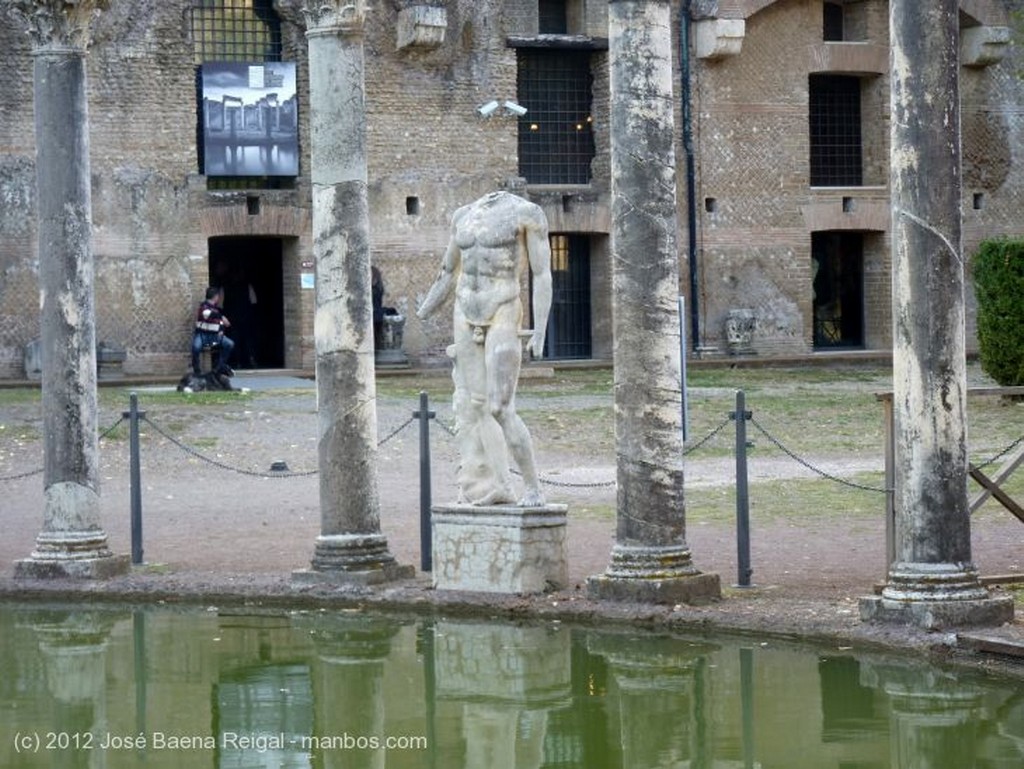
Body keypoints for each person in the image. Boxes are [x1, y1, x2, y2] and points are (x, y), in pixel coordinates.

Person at [417, 191, 552, 506]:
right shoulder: (462, 214)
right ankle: (498, 485)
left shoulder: (526, 213)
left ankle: (533, 488)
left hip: (502, 307)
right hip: (464, 311)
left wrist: (541, 330)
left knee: (500, 407)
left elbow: (542, 273)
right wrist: (425, 309)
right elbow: (448, 271)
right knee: (474, 405)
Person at [191, 286, 235, 377]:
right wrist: (221, 317)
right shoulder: (204, 306)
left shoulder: (216, 308)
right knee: (195, 348)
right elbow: (207, 314)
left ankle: (219, 367)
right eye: (218, 296)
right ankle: (197, 371)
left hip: (215, 336)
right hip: (202, 335)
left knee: (229, 344)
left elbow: (220, 323)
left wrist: (221, 330)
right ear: (215, 297)